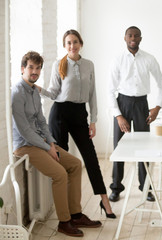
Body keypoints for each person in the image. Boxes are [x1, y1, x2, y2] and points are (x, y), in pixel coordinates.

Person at [12, 51, 102, 237]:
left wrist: (51, 143)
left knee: (76, 164)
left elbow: (42, 122)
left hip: (42, 141)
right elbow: (25, 131)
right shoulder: (17, 94)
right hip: (25, 146)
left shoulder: (34, 91)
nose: (34, 71)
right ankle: (64, 222)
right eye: (31, 67)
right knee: (60, 174)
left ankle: (76, 215)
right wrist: (48, 148)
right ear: (22, 69)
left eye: (38, 68)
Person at [35, 29, 115, 218]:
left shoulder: (89, 65)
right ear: (65, 46)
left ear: (81, 43)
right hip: (60, 114)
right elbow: (54, 93)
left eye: (75, 42)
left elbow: (93, 94)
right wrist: (38, 89)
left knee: (91, 158)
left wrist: (93, 120)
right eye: (69, 43)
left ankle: (105, 201)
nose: (72, 46)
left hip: (80, 114)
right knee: (62, 164)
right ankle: (67, 211)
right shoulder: (59, 64)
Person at [108, 26, 162, 202]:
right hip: (123, 104)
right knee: (119, 148)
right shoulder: (117, 59)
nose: (133, 38)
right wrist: (119, 116)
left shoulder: (149, 59)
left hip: (142, 104)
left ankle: (145, 187)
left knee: (145, 148)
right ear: (125, 38)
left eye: (136, 36)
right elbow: (110, 90)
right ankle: (116, 188)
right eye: (130, 35)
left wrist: (157, 107)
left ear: (140, 38)